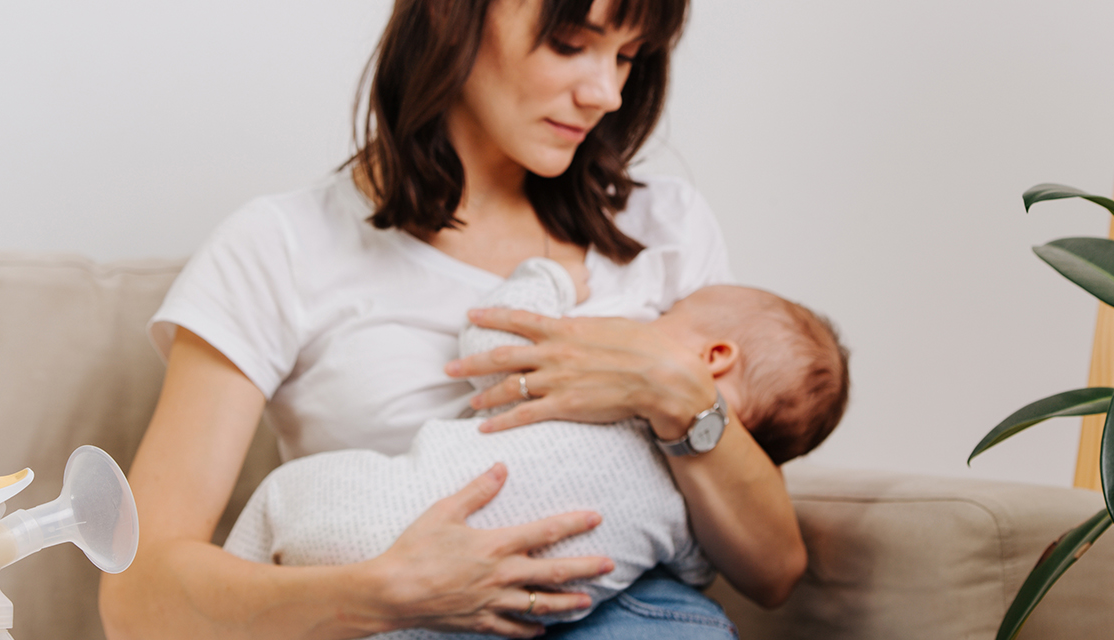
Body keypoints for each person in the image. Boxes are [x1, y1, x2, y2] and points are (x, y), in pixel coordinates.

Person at [100, 0, 815, 637]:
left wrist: (675, 389)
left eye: (628, 56)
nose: (606, 93)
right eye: (570, 41)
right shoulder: (280, 247)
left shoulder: (668, 227)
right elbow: (136, 598)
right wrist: (378, 594)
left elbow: (772, 571)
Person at [224, 258, 849, 639]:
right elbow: (707, 567)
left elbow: (494, 344)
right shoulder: (695, 522)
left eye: (669, 313)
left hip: (353, 517)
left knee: (278, 501)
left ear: (714, 358)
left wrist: (546, 279)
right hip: (465, 621)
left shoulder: (584, 392)